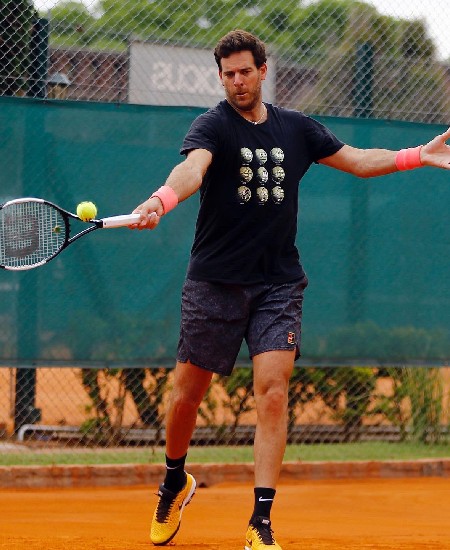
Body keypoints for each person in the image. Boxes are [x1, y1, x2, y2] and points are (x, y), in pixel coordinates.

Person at [130, 29, 450, 549]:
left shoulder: (297, 128)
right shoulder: (211, 125)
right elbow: (192, 168)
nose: (236, 81)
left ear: (262, 70)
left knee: (273, 394)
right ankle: (173, 480)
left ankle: (260, 523)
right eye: (227, 74)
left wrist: (417, 155)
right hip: (214, 281)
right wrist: (161, 201)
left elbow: (356, 159)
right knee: (186, 396)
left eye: (244, 71)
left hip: (277, 283)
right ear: (222, 77)